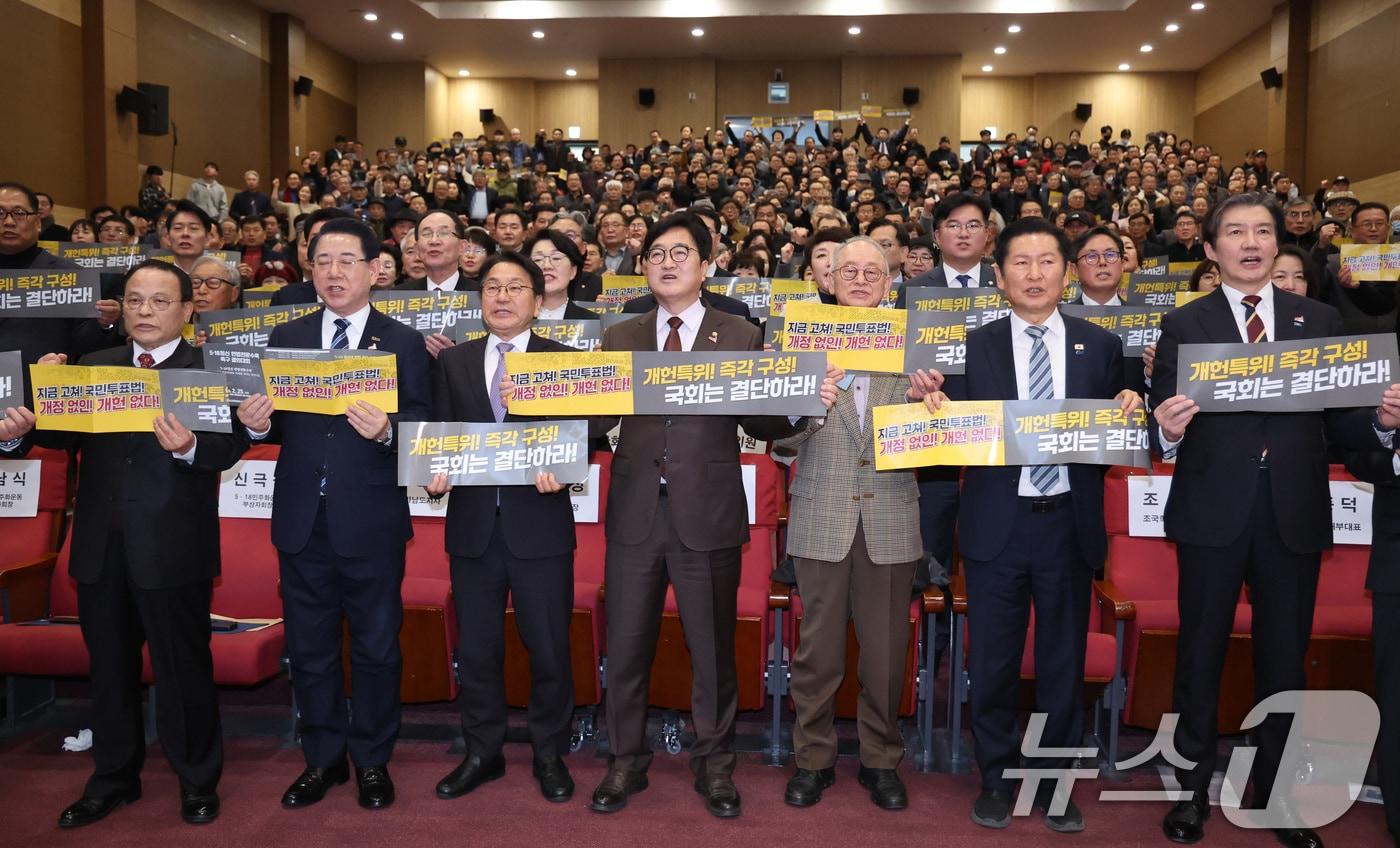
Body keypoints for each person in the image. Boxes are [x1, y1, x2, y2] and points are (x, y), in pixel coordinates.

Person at [1150, 193, 1398, 848]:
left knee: (1284, 661)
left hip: (1293, 509)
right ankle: (1190, 793)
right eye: (1235, 232)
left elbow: (1343, 421)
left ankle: (1278, 799)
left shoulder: (1316, 319)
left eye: (1262, 230)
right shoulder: (1185, 324)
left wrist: (1378, 420)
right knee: (1199, 655)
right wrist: (1167, 432)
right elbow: (1162, 423)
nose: (1252, 242)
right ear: (1210, 249)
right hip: (1212, 510)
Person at [0, 260, 246, 828]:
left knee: (184, 670)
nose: (144, 311)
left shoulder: (207, 368)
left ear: (188, 310)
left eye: (160, 302)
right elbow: (51, 434)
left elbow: (228, 447)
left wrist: (188, 449)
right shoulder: (93, 365)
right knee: (108, 673)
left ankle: (197, 780)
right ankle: (113, 777)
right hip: (99, 546)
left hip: (173, 547)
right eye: (135, 300)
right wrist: (18, 432)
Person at [589, 211, 809, 819]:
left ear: (707, 266)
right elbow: (597, 418)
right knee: (627, 647)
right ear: (643, 265)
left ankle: (715, 767)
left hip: (706, 515)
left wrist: (801, 401)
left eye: (680, 252)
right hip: (635, 513)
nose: (666, 261)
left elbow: (763, 421)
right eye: (656, 252)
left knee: (711, 651)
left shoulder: (738, 334)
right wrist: (534, 406)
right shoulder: (621, 336)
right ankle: (624, 762)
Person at [945, 216, 1138, 833]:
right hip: (998, 524)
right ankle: (997, 778)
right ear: (999, 277)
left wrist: (1131, 412)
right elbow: (948, 435)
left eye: (1047, 262)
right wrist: (931, 399)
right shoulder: (970, 345)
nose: (1034, 274)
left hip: (1068, 525)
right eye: (1020, 264)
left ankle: (1055, 781)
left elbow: (1120, 439)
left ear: (1069, 271)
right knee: (995, 662)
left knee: (1063, 663)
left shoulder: (1103, 346)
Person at [234, 218, 432, 812]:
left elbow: (425, 427)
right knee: (311, 648)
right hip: (300, 518)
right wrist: (257, 424)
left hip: (368, 519)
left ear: (374, 270)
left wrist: (389, 431)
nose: (334, 271)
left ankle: (372, 759)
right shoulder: (287, 336)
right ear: (309, 268)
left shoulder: (402, 341)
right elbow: (271, 423)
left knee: (375, 647)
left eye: (348, 260)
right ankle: (322, 760)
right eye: (323, 260)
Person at [424, 252, 599, 804]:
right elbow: (440, 434)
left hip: (539, 525)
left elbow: (590, 427)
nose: (501, 297)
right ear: (480, 301)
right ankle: (483, 752)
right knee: (476, 648)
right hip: (472, 527)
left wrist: (564, 464)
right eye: (492, 287)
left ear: (537, 299)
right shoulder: (454, 363)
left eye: (515, 287)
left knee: (547, 646)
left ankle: (550, 752)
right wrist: (433, 470)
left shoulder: (561, 360)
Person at [776, 235, 938, 811]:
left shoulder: (916, 348)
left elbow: (937, 446)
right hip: (821, 513)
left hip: (892, 516)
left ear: (890, 282)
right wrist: (804, 401)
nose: (863, 279)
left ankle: (880, 759)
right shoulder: (800, 345)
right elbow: (778, 442)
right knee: (817, 654)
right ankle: (812, 759)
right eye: (850, 271)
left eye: (874, 270)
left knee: (886, 653)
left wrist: (930, 407)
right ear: (828, 280)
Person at [0, 182, 122, 368]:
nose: (8, 221)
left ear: (38, 223)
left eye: (19, 213)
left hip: (39, 387)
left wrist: (104, 323)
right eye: (0, 213)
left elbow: (86, 343)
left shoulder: (69, 275)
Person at [895, 193, 996, 306]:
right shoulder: (912, 290)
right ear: (937, 237)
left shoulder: (1006, 283)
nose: (963, 234)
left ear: (986, 234)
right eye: (953, 226)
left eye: (973, 226)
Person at [525, 230, 597, 319]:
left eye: (556, 258)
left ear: (573, 271)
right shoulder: (513, 320)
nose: (547, 266)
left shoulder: (591, 321)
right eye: (538, 259)